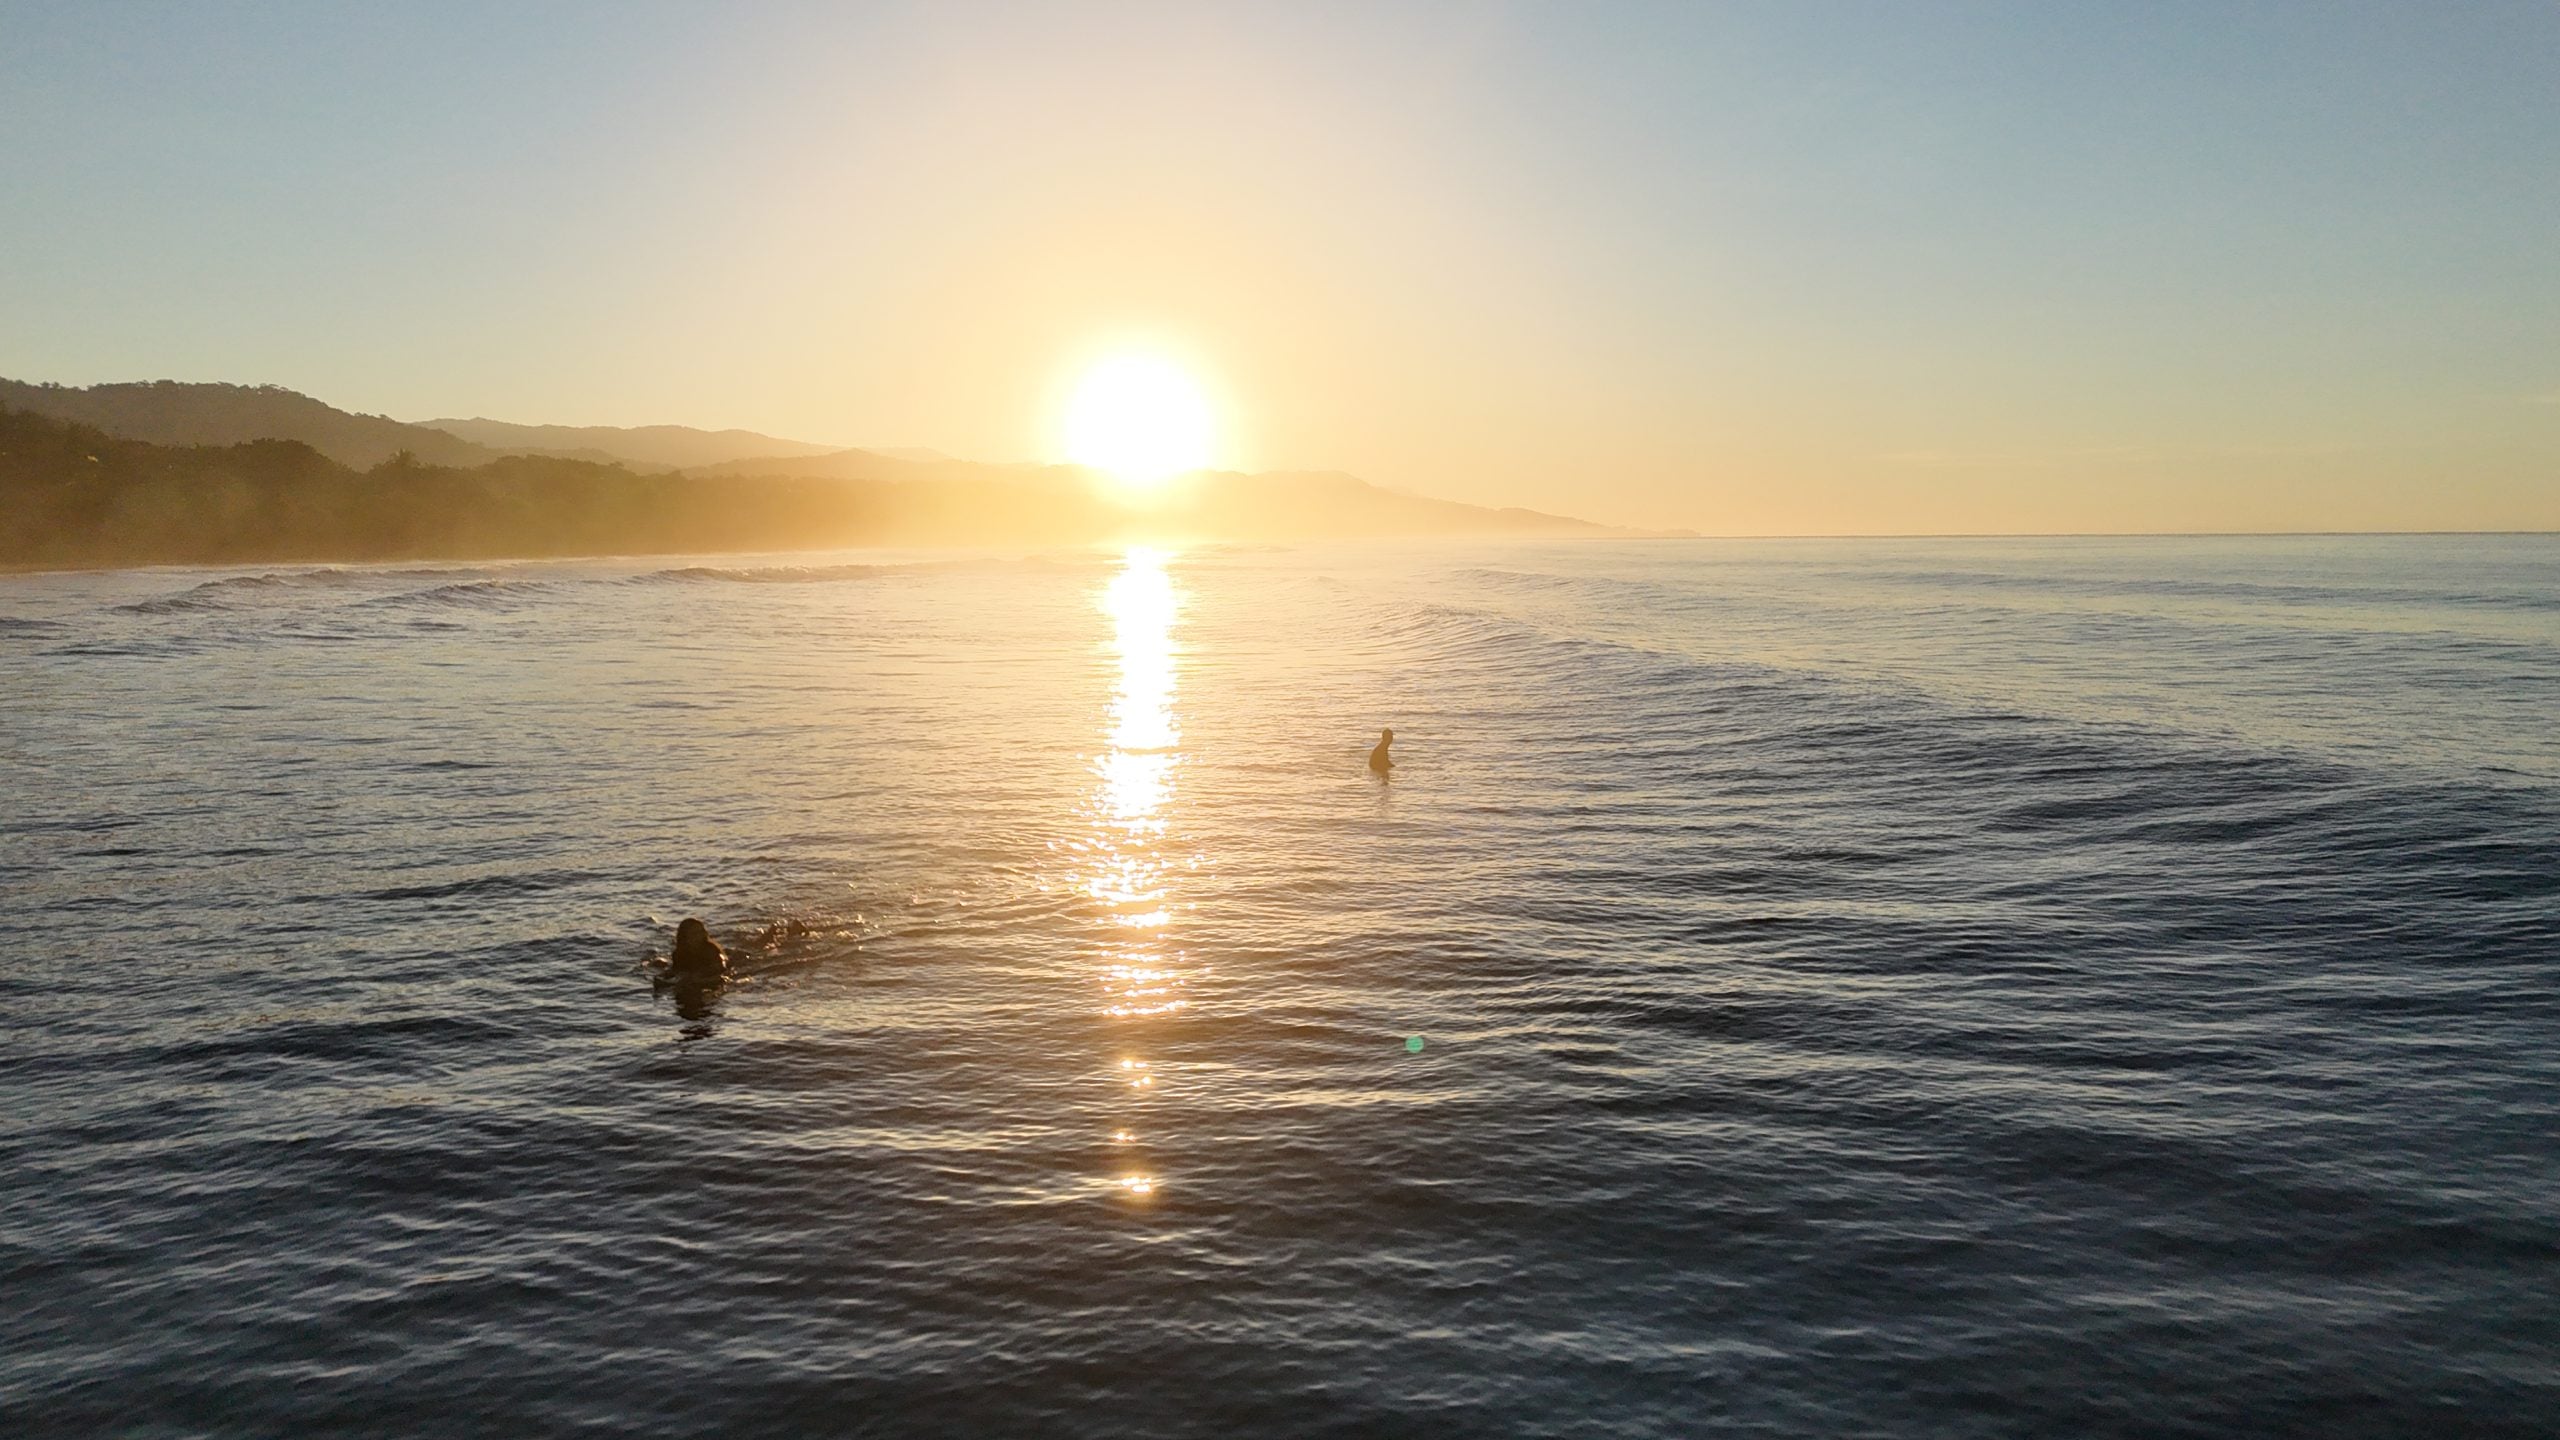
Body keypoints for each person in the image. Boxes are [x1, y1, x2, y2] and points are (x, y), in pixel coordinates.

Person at [668, 917, 730, 983]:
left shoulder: (710, 949)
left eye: (701, 932)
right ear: (684, 937)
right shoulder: (678, 954)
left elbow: (721, 967)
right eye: (693, 933)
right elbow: (677, 971)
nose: (699, 936)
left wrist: (699, 975)